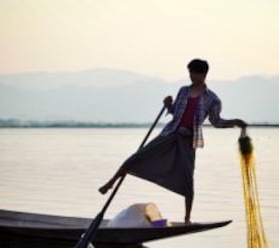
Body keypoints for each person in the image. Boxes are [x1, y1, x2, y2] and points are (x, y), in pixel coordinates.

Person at [98, 59, 247, 224]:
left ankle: (187, 218)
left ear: (204, 74)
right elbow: (175, 112)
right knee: (137, 157)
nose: (192, 76)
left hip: (188, 140)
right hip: (169, 134)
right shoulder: (183, 91)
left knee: (187, 179)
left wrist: (234, 122)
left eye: (196, 73)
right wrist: (168, 104)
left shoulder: (213, 99)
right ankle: (110, 183)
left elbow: (216, 122)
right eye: (190, 73)